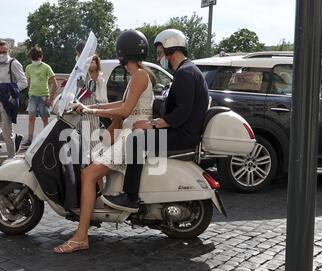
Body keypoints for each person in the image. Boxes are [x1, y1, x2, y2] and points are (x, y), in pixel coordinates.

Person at [53, 30, 156, 254]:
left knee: (88, 174)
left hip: (132, 137)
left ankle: (81, 237)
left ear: (122, 52)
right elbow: (121, 103)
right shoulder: (138, 74)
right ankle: (91, 212)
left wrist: (90, 109)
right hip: (129, 134)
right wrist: (91, 108)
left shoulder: (139, 75)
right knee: (93, 160)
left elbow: (127, 110)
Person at [102, 28, 210, 213]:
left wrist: (152, 124)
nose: (160, 57)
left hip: (182, 135)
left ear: (171, 49)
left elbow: (181, 113)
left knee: (135, 140)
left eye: (160, 53)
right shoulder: (188, 71)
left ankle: (130, 197)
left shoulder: (185, 73)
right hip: (183, 131)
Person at [22, 47, 58, 148]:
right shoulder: (28, 68)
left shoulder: (46, 67)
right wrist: (28, 95)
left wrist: (50, 99)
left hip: (43, 96)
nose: (35, 61)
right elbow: (28, 83)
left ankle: (46, 138)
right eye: (33, 59)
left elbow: (55, 84)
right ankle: (29, 139)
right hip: (32, 96)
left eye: (36, 58)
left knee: (45, 119)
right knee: (31, 118)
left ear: (41, 57)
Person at [77, 54, 108, 164]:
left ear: (97, 63)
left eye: (93, 62)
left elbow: (102, 95)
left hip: (95, 109)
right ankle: (86, 161)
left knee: (94, 135)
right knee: (84, 136)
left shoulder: (100, 77)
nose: (91, 64)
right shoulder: (84, 76)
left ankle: (95, 158)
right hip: (85, 108)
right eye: (89, 62)